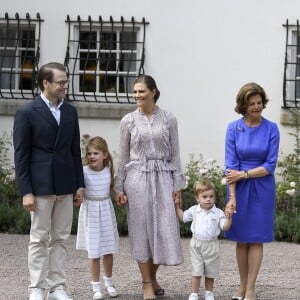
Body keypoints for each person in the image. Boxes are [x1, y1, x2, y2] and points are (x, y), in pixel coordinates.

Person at [13, 62, 85, 300]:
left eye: (65, 81)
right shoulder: (26, 112)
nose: (65, 86)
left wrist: (79, 185)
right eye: (60, 82)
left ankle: (57, 287)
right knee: (39, 237)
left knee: (61, 237)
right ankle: (36, 287)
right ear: (46, 83)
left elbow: (75, 151)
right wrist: (26, 191)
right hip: (40, 185)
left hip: (65, 184)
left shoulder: (70, 111)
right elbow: (21, 155)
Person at [114, 75, 186, 300]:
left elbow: (175, 154)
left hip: (163, 178)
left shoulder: (169, 118)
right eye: (134, 92)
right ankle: (147, 283)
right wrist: (119, 187)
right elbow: (123, 156)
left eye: (141, 91)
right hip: (137, 179)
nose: (137, 96)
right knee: (141, 231)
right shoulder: (128, 120)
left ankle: (153, 276)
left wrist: (178, 185)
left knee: (165, 231)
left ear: (153, 92)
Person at [224, 82, 280, 300]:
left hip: (262, 187)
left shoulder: (271, 128)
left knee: (256, 238)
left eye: (259, 103)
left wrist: (245, 174)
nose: (256, 107)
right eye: (252, 104)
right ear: (243, 105)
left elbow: (270, 165)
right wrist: (232, 197)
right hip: (238, 187)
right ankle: (241, 285)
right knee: (241, 238)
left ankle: (251, 288)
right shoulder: (233, 128)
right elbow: (230, 166)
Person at [76, 136, 119, 300]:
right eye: (89, 153)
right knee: (94, 253)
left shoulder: (108, 169)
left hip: (106, 212)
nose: (92, 156)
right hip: (91, 213)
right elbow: (80, 189)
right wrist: (79, 197)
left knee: (108, 250)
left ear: (105, 155)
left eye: (96, 153)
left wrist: (119, 196)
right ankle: (96, 286)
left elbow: (113, 189)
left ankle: (109, 282)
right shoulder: (84, 171)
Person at [175, 180, 232, 300]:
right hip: (196, 245)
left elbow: (225, 227)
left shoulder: (218, 213)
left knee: (210, 271)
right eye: (204, 196)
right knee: (197, 270)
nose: (208, 199)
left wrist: (229, 217)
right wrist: (176, 206)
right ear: (197, 198)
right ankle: (194, 293)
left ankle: (209, 293)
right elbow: (183, 217)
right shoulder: (195, 210)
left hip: (212, 245)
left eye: (211, 196)